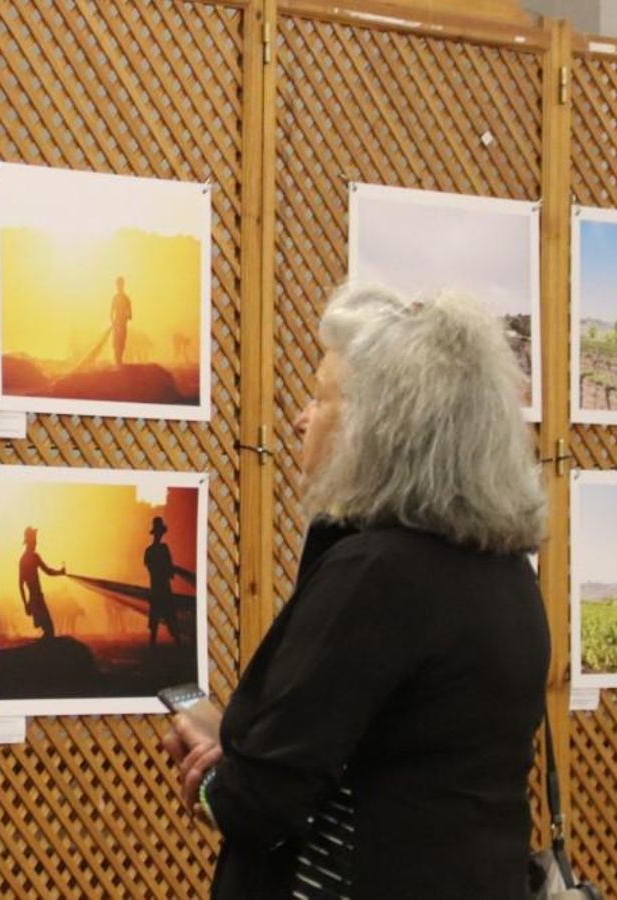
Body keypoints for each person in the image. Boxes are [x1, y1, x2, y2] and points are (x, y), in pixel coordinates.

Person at [164, 284, 549, 899]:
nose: (299, 418)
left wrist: (212, 777)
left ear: (381, 428)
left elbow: (260, 804)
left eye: (321, 399)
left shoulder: (378, 574)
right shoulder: (508, 574)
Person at [143, 516, 193, 648]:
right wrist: (169, 571)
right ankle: (177, 645)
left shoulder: (149, 551)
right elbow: (170, 572)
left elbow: (150, 569)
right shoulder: (163, 549)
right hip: (164, 590)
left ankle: (153, 648)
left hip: (155, 590)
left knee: (155, 623)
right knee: (171, 620)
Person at [18, 527, 66, 640]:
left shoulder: (29, 558)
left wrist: (60, 572)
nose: (36, 543)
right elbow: (20, 584)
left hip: (36, 598)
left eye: (35, 540)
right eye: (34, 540)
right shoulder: (29, 558)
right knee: (49, 630)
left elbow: (47, 571)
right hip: (36, 599)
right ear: (29, 542)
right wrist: (26, 604)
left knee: (48, 630)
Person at [111, 276, 133, 365]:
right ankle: (117, 359)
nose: (119, 287)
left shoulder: (125, 298)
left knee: (122, 340)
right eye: (118, 285)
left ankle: (119, 358)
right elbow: (112, 310)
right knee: (117, 340)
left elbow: (129, 310)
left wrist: (129, 316)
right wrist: (112, 320)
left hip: (122, 322)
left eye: (120, 285)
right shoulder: (116, 297)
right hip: (118, 322)